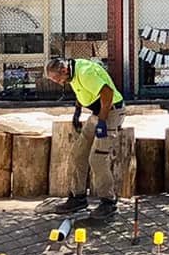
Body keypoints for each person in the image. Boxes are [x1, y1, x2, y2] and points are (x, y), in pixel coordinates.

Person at [43, 54, 124, 215]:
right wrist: (78, 110)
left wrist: (102, 122)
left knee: (97, 159)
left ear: (64, 70)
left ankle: (108, 201)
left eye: (57, 79)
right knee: (78, 154)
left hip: (111, 112)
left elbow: (107, 93)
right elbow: (82, 91)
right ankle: (77, 198)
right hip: (97, 112)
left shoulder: (85, 72)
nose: (57, 82)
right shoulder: (72, 73)